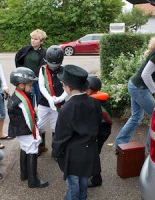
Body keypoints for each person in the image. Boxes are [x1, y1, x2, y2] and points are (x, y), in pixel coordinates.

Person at [52, 65, 102, 200]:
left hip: (73, 154)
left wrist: (56, 153)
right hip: (89, 150)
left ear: (69, 87)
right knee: (84, 181)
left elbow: (61, 136)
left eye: (63, 85)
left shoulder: (67, 108)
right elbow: (99, 125)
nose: (63, 87)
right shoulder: (95, 102)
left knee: (73, 185)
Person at [7, 67, 49, 188]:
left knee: (24, 148)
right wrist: (36, 135)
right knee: (32, 150)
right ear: (21, 85)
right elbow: (29, 119)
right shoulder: (22, 100)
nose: (31, 88)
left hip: (18, 129)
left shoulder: (16, 95)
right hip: (25, 130)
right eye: (30, 85)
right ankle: (33, 180)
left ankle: (24, 174)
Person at [37, 45, 67, 154]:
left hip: (58, 103)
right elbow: (41, 86)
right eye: (51, 65)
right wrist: (49, 98)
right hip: (44, 102)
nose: (53, 67)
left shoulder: (64, 70)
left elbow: (67, 88)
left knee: (56, 126)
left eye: (56, 65)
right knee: (39, 125)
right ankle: (40, 147)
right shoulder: (43, 69)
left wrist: (60, 99)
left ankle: (56, 151)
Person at [86, 75, 112, 188]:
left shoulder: (95, 102)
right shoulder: (99, 99)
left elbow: (94, 122)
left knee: (93, 155)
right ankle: (90, 174)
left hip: (99, 133)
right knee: (93, 154)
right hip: (102, 131)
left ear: (90, 90)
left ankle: (97, 179)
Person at [15, 29, 47, 107]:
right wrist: (20, 71)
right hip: (27, 81)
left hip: (38, 81)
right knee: (29, 102)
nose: (32, 40)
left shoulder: (44, 53)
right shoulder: (26, 49)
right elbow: (17, 58)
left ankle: (39, 118)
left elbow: (44, 68)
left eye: (35, 39)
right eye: (32, 38)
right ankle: (31, 117)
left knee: (40, 102)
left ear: (41, 41)